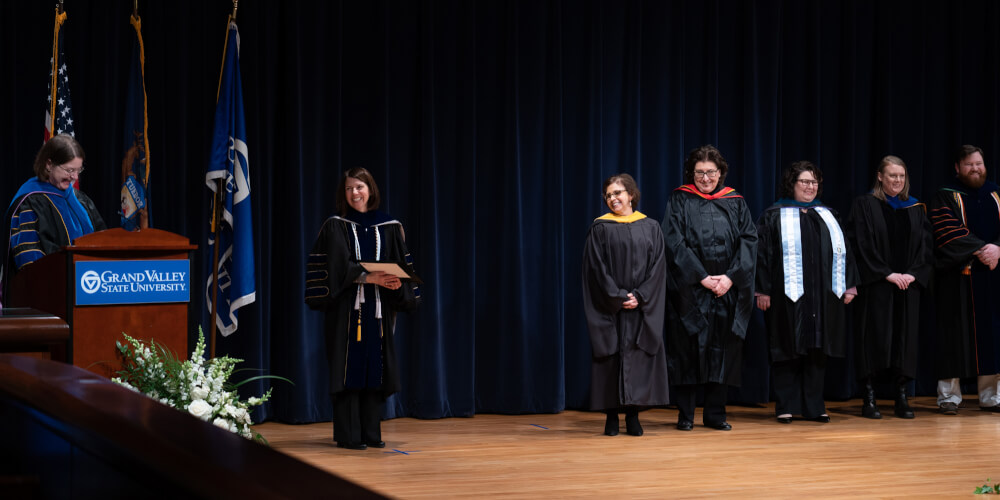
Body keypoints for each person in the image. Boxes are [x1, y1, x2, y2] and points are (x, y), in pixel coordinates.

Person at [305, 167, 420, 450]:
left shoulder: (390, 226)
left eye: (360, 187)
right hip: (346, 310)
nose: (355, 193)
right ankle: (348, 436)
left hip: (378, 310)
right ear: (343, 193)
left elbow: (401, 266)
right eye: (349, 188)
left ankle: (371, 432)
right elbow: (334, 269)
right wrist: (368, 277)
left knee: (375, 367)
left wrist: (394, 283)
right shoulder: (336, 225)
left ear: (370, 189)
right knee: (348, 369)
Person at [662, 145, 757, 431]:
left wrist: (730, 277)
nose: (705, 178)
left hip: (726, 290)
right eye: (700, 173)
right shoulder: (680, 199)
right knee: (687, 350)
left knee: (722, 350)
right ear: (692, 174)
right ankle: (686, 415)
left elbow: (749, 240)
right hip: (691, 289)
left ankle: (716, 415)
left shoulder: (736, 201)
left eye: (711, 173)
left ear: (720, 173)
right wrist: (702, 276)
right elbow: (673, 241)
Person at [755, 161, 857, 424]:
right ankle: (785, 405)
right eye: (805, 182)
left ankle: (814, 405)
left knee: (817, 347)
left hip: (823, 296)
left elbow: (845, 251)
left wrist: (849, 284)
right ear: (792, 184)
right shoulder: (774, 215)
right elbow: (762, 256)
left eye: (814, 182)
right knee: (786, 346)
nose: (811, 187)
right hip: (784, 294)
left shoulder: (828, 215)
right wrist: (761, 290)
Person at [582, 173, 669, 437]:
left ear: (631, 194)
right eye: (608, 195)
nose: (613, 198)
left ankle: (633, 415)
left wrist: (640, 296)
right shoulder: (600, 228)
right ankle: (611, 416)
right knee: (610, 357)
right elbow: (596, 269)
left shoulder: (651, 226)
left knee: (637, 358)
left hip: (640, 307)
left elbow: (658, 268)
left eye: (618, 193)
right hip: (610, 307)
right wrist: (618, 296)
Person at [846, 156, 932, 419]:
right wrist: (887, 274)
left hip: (908, 285)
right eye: (892, 175)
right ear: (880, 177)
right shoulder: (865, 205)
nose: (897, 180)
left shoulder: (915, 208)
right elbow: (859, 245)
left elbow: (926, 248)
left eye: (901, 176)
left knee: (904, 340)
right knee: (873, 337)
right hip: (877, 286)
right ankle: (869, 396)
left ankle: (901, 396)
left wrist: (912, 274)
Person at [930, 145, 1000, 414]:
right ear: (957, 168)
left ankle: (991, 397)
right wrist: (983, 250)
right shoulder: (945, 196)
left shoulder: (995, 194)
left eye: (979, 164)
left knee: (993, 336)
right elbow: (945, 230)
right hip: (957, 278)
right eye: (969, 165)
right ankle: (949, 396)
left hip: (993, 277)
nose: (975, 169)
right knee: (952, 336)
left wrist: (998, 248)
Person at [2, 135, 106, 302]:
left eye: (78, 170)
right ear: (49, 165)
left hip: (89, 292)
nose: (75, 177)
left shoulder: (81, 200)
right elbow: (28, 259)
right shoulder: (30, 202)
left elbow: (104, 240)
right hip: (47, 298)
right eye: (69, 170)